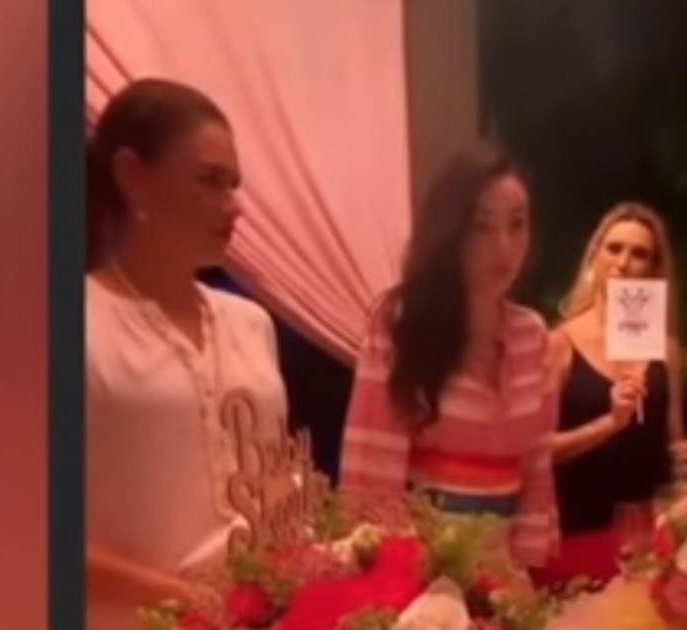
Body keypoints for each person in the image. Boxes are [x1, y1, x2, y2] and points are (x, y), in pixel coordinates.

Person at [85, 79, 288, 630]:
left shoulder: (251, 325)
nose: (235, 207)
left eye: (234, 185)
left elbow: (276, 490)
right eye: (209, 181)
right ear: (132, 176)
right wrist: (192, 600)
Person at [337, 142, 558, 568]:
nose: (504, 246)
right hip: (420, 576)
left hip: (504, 579)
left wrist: (525, 576)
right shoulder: (399, 324)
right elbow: (371, 482)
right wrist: (399, 580)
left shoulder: (531, 334)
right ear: (450, 230)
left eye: (517, 225)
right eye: (481, 227)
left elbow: (536, 471)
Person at [538, 202, 687, 583]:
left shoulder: (664, 349)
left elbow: (671, 443)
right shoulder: (559, 343)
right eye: (614, 248)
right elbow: (538, 450)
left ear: (653, 269)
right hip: (579, 534)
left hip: (649, 539)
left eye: (639, 254)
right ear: (594, 257)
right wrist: (610, 423)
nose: (623, 262)